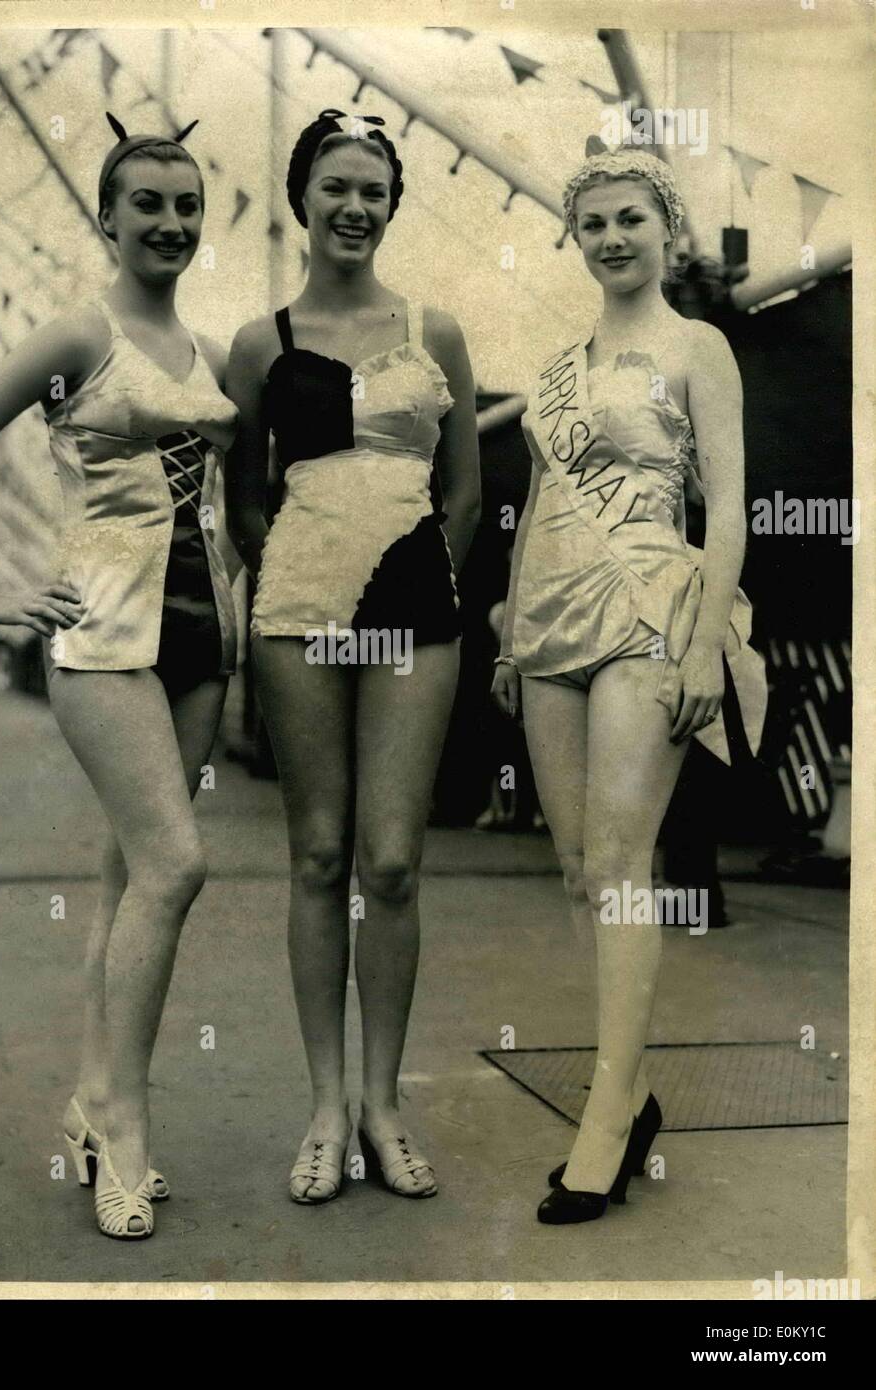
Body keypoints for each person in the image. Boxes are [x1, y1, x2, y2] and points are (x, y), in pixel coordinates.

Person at [0, 113, 240, 1240]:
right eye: (147, 203)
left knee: (127, 881)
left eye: (187, 204)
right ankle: (127, 1128)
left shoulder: (204, 354)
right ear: (107, 217)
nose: (170, 222)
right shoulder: (75, 332)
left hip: (204, 634)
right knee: (174, 863)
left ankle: (91, 1100)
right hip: (101, 631)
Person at [492, 148, 767, 1224]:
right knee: (573, 869)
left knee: (618, 859)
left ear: (665, 228)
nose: (610, 237)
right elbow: (535, 506)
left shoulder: (697, 346)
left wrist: (702, 645)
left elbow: (732, 509)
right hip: (549, 617)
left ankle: (603, 1118)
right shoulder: (557, 361)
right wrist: (512, 639)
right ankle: (633, 1088)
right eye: (592, 222)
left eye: (628, 219)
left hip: (648, 608)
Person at [225, 109, 480, 1203]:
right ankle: (325, 1104)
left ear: (390, 201)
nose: (353, 205)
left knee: (391, 861)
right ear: (301, 196)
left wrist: (425, 570)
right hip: (299, 612)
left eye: (371, 187)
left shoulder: (437, 331)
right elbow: (239, 492)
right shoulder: (260, 339)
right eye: (334, 184)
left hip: (414, 612)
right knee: (319, 855)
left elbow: (465, 485)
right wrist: (294, 571)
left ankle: (384, 1102)